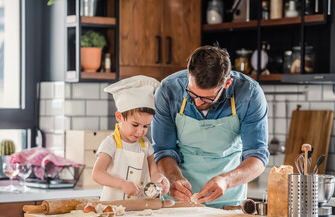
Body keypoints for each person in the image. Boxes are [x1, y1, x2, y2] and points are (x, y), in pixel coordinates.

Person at [152, 45, 269, 208]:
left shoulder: (249, 93)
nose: (198, 102)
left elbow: (257, 157)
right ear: (188, 76)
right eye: (192, 93)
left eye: (207, 99)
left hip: (229, 199)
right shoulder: (168, 90)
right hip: (179, 200)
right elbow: (163, 150)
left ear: (227, 83)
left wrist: (225, 181)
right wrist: (174, 179)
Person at [93, 75, 170, 201]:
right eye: (135, 125)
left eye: (146, 126)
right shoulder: (111, 144)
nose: (140, 131)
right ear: (119, 117)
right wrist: (122, 184)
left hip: (140, 209)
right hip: (113, 209)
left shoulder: (145, 145)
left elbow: (154, 173)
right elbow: (97, 174)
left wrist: (161, 179)